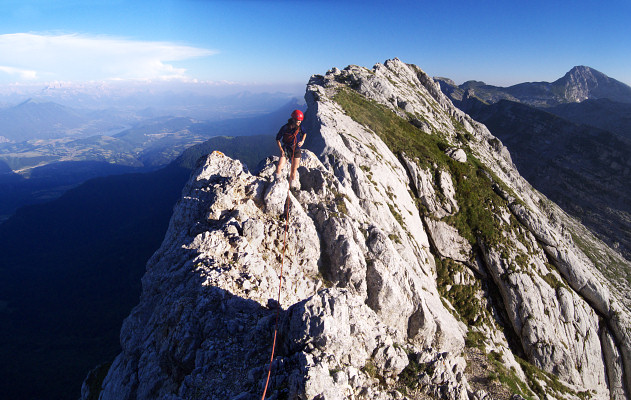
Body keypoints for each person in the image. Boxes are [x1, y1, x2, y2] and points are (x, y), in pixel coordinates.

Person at [275, 109, 306, 188]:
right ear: (293, 119)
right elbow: (277, 139)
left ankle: (293, 188)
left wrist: (302, 141)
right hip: (286, 148)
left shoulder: (300, 127)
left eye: (300, 121)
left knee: (294, 170)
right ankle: (277, 183)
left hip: (296, 149)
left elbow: (305, 133)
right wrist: (281, 150)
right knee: (279, 166)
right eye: (298, 120)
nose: (300, 122)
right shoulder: (285, 128)